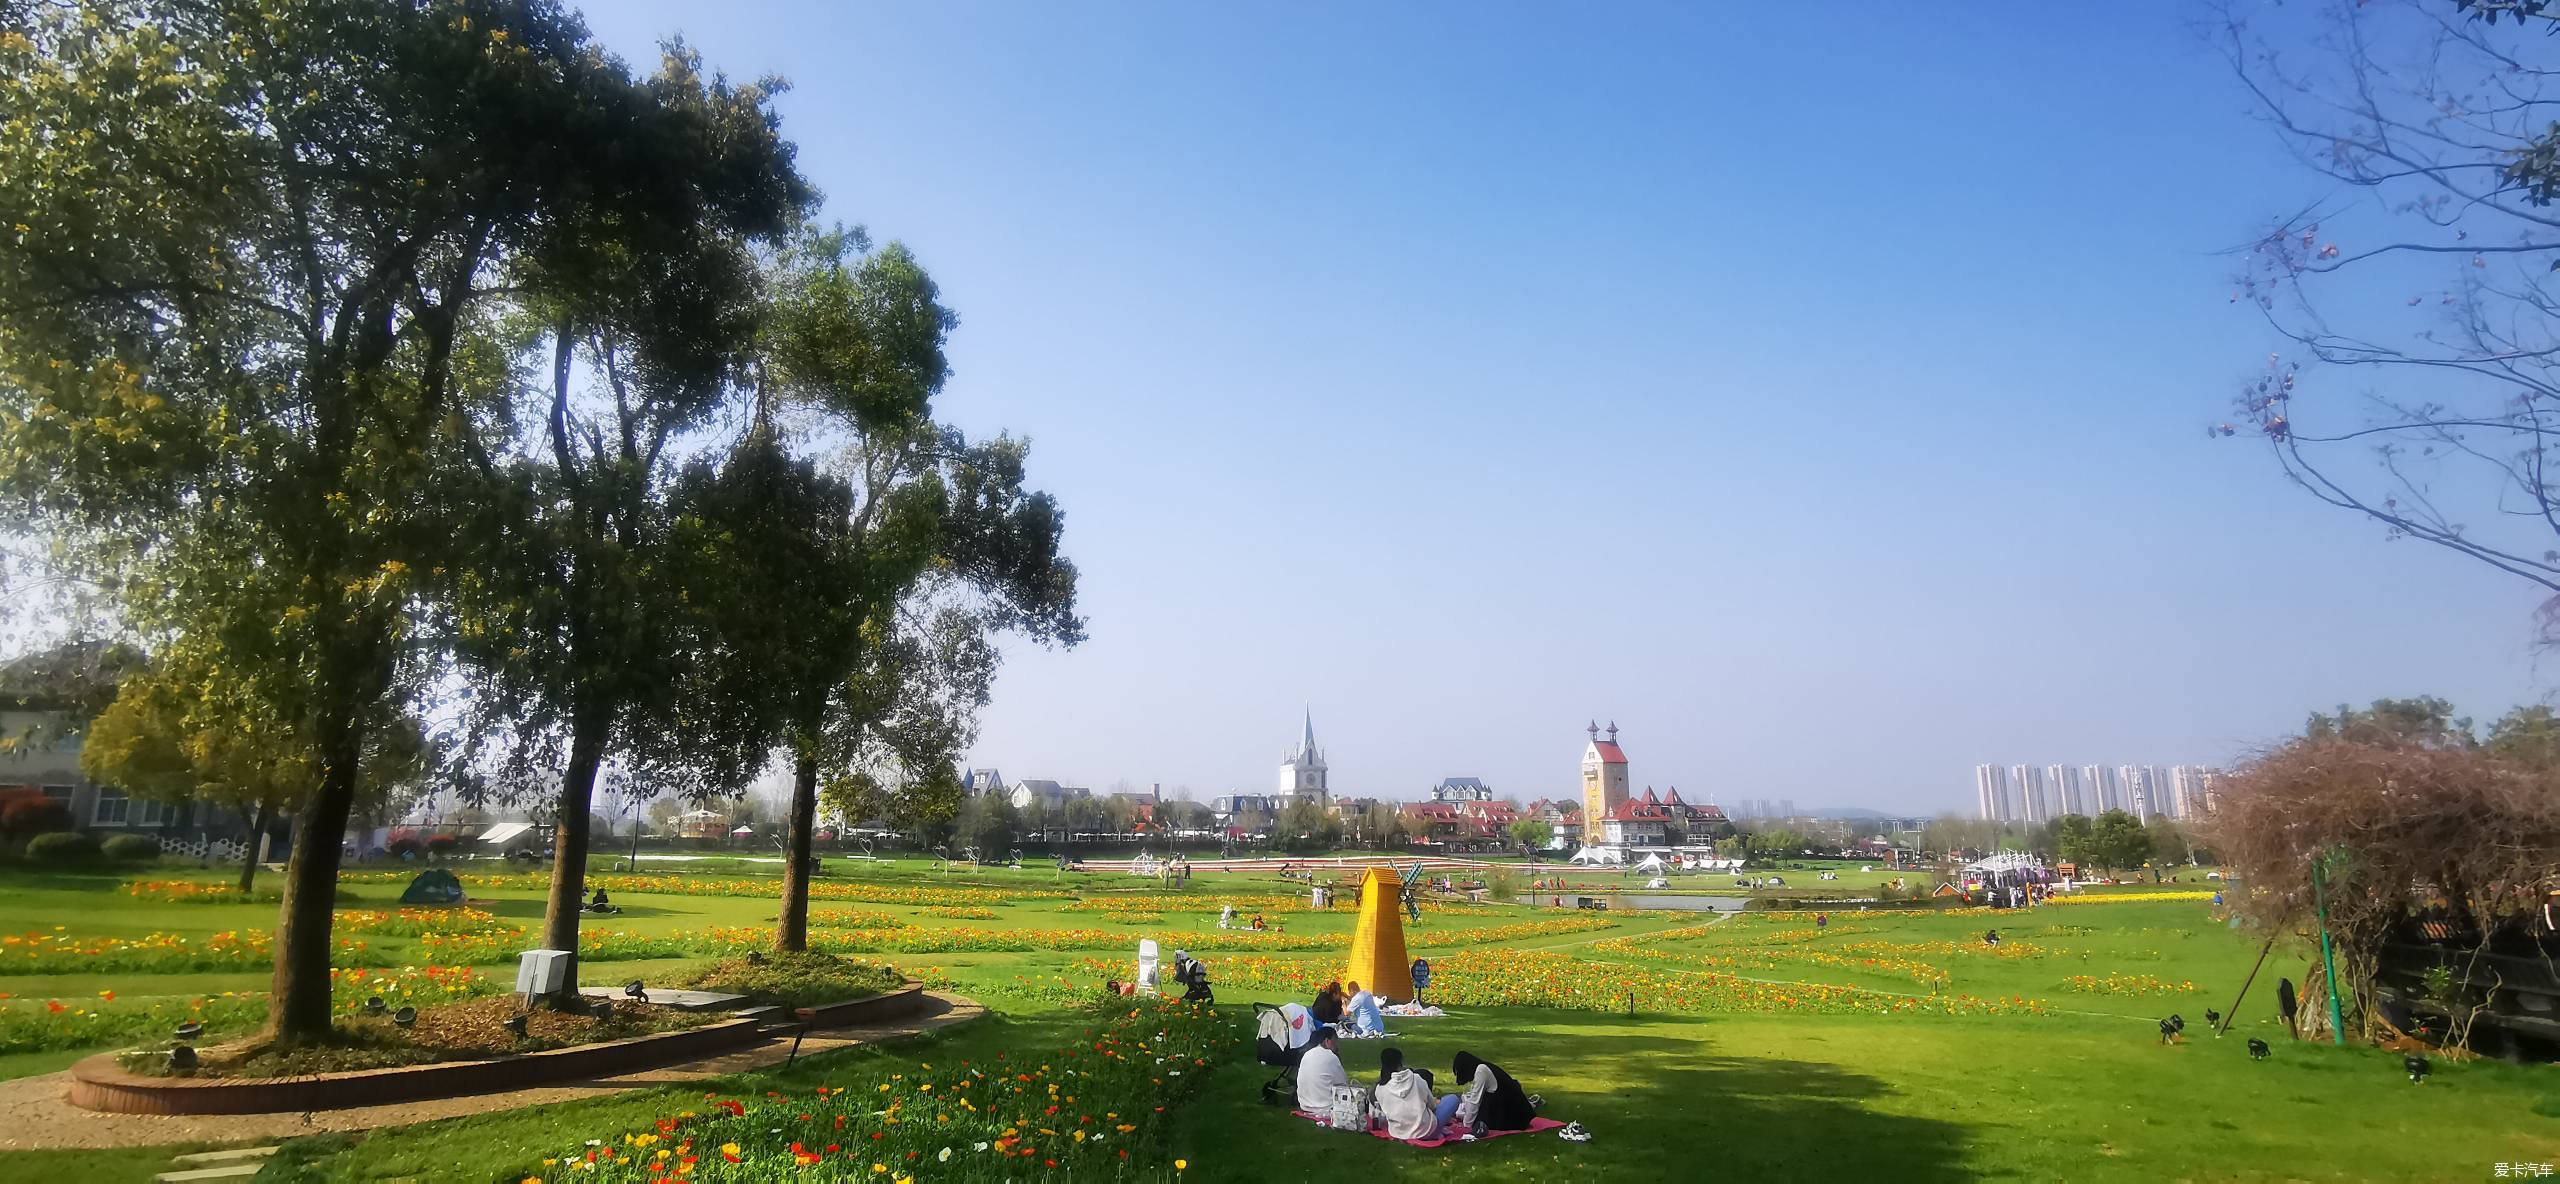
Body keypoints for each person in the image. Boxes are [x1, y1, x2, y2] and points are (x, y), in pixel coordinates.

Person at [1445, 1050, 1535, 1133]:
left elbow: (1474, 1101)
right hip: (1516, 1109)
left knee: (1479, 1121)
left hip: (1513, 1114)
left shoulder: (1481, 1071)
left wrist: (1466, 1125)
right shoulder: (1483, 1067)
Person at [1372, 1047, 1439, 1140]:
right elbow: (1432, 1106)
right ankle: (1436, 1132)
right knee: (1452, 1100)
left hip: (1398, 1132)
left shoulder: (1380, 1089)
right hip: (1424, 1130)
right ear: (1400, 1062)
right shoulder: (1417, 1079)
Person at [1294, 1025, 1351, 1114]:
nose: (1336, 1046)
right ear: (1327, 1041)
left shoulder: (1307, 1054)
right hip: (1326, 1107)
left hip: (1304, 1105)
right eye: (1335, 1042)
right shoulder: (1331, 1057)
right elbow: (1343, 1084)